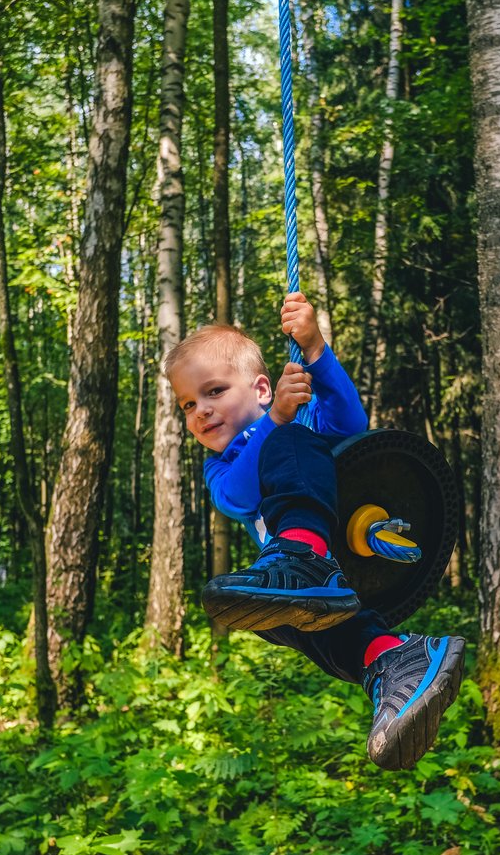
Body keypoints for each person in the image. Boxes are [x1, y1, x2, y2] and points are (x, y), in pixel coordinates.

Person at [164, 293, 465, 770]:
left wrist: (315, 350)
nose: (200, 410)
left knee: (292, 441)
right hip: (324, 585)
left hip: (333, 554)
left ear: (262, 389)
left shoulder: (294, 426)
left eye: (214, 391)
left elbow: (350, 422)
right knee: (284, 619)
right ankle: (393, 659)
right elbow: (239, 496)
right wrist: (278, 421)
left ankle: (304, 555)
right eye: (187, 404)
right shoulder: (219, 468)